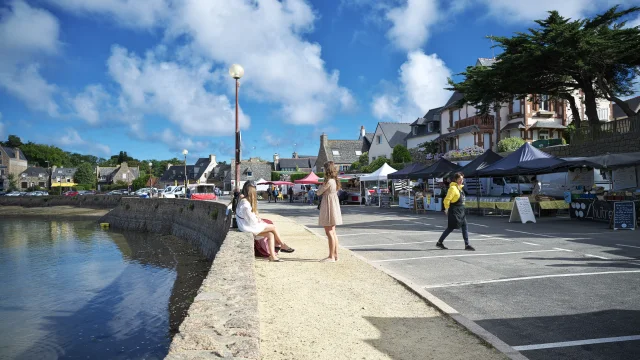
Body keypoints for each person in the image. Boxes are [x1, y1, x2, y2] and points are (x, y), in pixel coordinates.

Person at [236, 181, 295, 262]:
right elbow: (252, 221)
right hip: (247, 227)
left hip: (245, 226)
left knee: (270, 235)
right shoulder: (245, 204)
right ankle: (282, 245)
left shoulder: (243, 201)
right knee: (273, 227)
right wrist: (259, 220)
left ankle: (273, 256)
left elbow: (249, 218)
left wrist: (257, 218)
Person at [436, 172, 475, 251]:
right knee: (450, 228)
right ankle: (439, 242)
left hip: (461, 211)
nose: (461, 180)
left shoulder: (460, 188)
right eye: (459, 179)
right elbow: (447, 199)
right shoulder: (453, 188)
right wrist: (446, 209)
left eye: (462, 179)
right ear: (456, 179)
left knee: (465, 226)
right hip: (454, 211)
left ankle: (467, 244)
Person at [316, 161, 343, 262]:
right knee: (333, 232)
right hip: (333, 205)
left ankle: (331, 256)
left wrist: (320, 186)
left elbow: (319, 192)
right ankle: (335, 255)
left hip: (328, 206)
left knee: (329, 232)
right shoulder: (335, 181)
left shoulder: (328, 181)